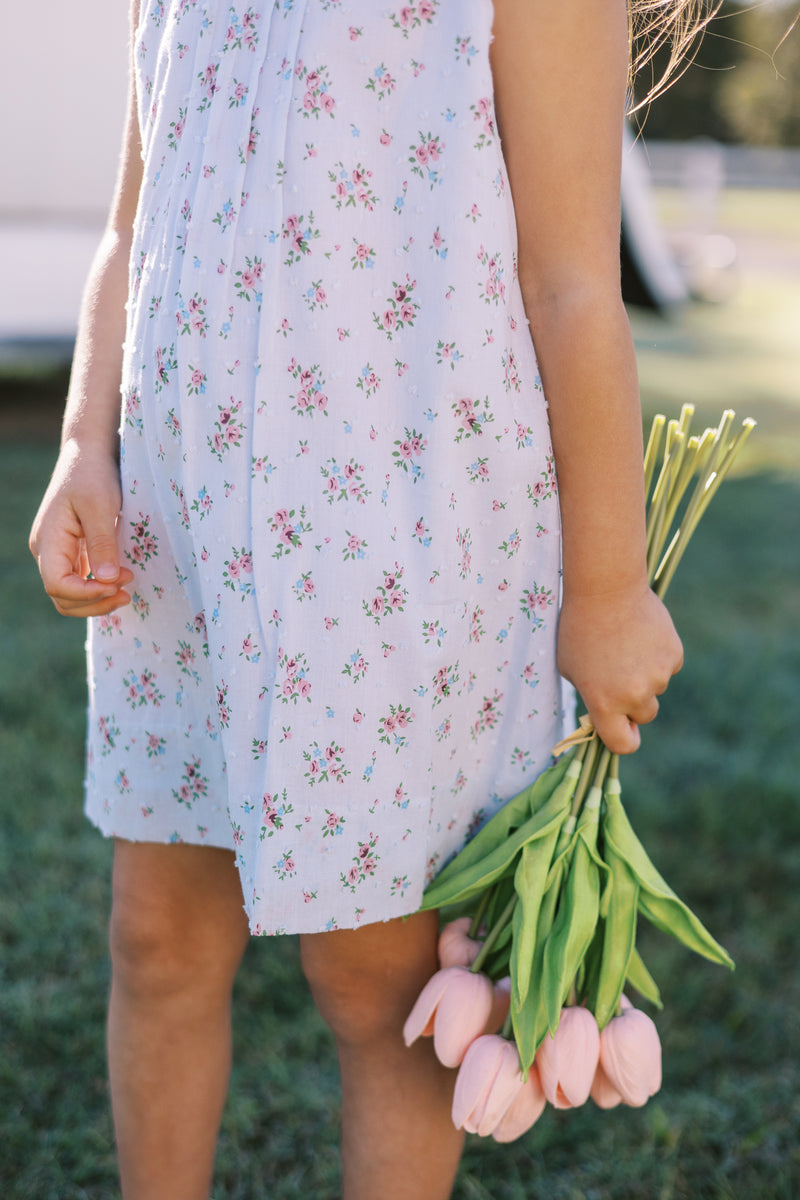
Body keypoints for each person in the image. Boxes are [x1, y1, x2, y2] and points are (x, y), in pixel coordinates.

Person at [29, 1, 697, 1196]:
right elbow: (131, 228)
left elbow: (569, 285)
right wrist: (85, 444)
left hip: (388, 544)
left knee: (377, 984)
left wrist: (607, 591)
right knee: (158, 936)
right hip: (180, 530)